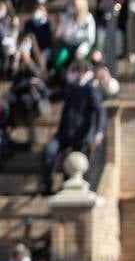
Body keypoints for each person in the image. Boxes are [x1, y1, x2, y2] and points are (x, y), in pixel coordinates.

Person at [41, 60, 106, 194]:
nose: (74, 74)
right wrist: (41, 87)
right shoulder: (70, 88)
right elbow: (52, 96)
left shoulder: (90, 90)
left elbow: (100, 110)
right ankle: (47, 186)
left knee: (78, 165)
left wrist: (99, 131)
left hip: (81, 136)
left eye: (76, 71)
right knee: (49, 151)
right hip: (64, 134)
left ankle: (75, 192)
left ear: (83, 73)